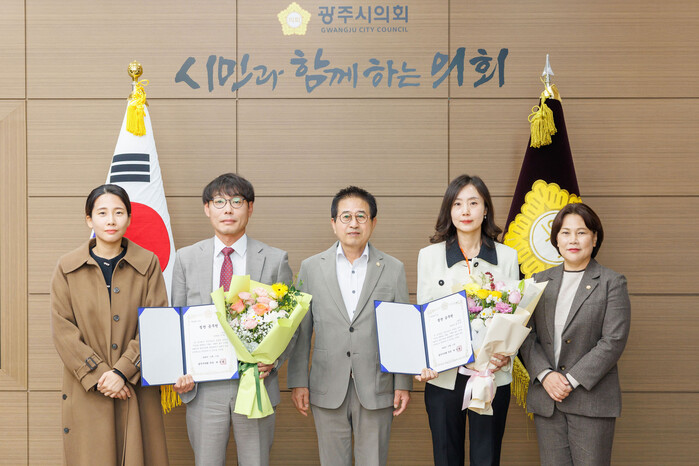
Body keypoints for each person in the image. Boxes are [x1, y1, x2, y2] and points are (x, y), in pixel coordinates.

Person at [171, 173, 293, 466]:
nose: (228, 209)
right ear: (207, 208)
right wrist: (180, 369)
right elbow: (177, 321)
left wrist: (274, 361)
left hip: (255, 384)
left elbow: (291, 324)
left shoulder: (275, 259)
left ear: (250, 208)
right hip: (204, 388)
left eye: (237, 201)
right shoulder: (186, 258)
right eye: (219, 202)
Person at [287, 186, 412, 466]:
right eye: (345, 217)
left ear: (373, 222)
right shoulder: (311, 267)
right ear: (333, 223)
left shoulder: (393, 268)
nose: (353, 223)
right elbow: (301, 332)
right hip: (326, 384)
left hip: (377, 386)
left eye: (361, 216)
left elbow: (401, 332)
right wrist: (298, 382)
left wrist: (403, 383)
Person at [50, 184, 169, 466]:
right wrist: (103, 375)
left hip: (136, 387)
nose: (111, 220)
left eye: (118, 212)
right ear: (89, 219)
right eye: (102, 213)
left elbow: (156, 324)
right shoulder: (67, 266)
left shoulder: (148, 264)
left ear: (128, 218)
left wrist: (122, 371)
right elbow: (63, 331)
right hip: (88, 389)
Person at [415, 174, 519, 466]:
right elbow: (424, 316)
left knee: (487, 457)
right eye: (457, 203)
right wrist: (423, 360)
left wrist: (506, 355)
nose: (465, 210)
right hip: (444, 376)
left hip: (491, 374)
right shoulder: (429, 256)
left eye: (473, 203)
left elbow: (516, 315)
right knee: (446, 456)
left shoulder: (507, 256)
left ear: (485, 209)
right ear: (449, 210)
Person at [520, 203, 630, 465]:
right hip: (548, 401)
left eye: (581, 233)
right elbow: (525, 334)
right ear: (556, 239)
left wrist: (570, 380)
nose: (573, 240)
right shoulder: (538, 281)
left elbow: (613, 341)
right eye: (565, 233)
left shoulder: (612, 282)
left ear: (594, 238)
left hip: (591, 401)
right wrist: (545, 375)